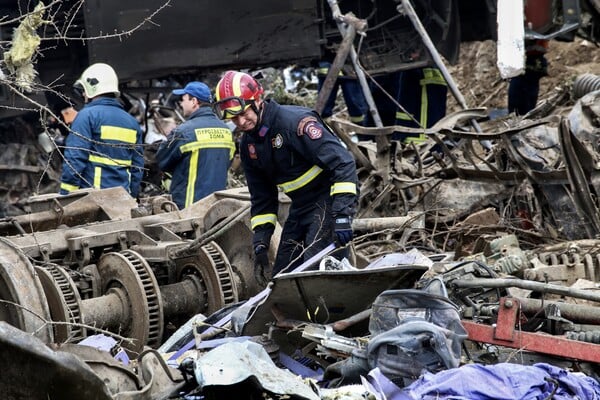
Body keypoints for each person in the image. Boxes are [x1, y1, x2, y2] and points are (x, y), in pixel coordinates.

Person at [213, 70, 359, 284]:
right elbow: (263, 197)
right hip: (300, 206)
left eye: (245, 113)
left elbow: (344, 163)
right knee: (283, 276)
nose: (241, 122)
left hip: (328, 198)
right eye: (234, 118)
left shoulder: (295, 123)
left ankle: (328, 316)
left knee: (313, 271)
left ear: (258, 100)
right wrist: (261, 242)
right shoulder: (248, 145)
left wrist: (343, 215)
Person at [59, 63, 144, 197]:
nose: (82, 94)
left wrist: (66, 195)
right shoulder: (132, 122)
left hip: (94, 200)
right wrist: (131, 198)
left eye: (84, 90)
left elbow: (75, 158)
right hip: (122, 199)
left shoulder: (86, 116)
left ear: (92, 89)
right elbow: (137, 168)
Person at [156, 81, 234, 209]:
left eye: (183, 99)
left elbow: (162, 161)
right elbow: (226, 163)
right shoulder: (227, 131)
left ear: (194, 101)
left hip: (188, 209)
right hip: (217, 208)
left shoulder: (183, 132)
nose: (181, 103)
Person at [508, 39, 549, 116]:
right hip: (524, 64)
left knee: (527, 100)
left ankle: (523, 116)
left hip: (529, 64)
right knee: (521, 100)